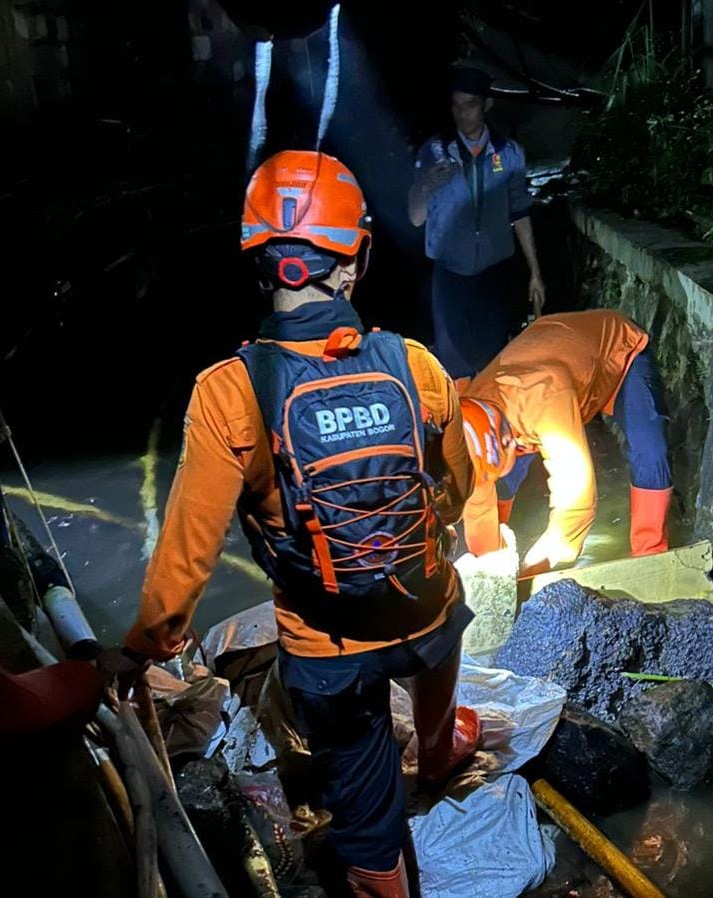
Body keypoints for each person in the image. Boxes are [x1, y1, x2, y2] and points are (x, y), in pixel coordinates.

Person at [107, 150, 478, 898]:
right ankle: (438, 751)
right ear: (355, 260)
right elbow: (459, 485)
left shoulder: (228, 394)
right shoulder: (416, 366)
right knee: (447, 602)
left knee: (368, 819)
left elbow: (188, 553)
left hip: (328, 646)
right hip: (423, 608)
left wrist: (147, 647)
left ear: (259, 265)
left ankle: (382, 868)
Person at [459, 309, 672, 576]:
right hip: (555, 361)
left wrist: (537, 566)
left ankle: (650, 557)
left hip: (618, 353)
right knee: (499, 483)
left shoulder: (545, 395)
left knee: (649, 449)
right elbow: (477, 500)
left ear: (508, 440)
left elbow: (577, 502)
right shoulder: (467, 416)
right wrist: (489, 571)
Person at [408, 65, 545, 380]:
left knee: (492, 359)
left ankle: (491, 423)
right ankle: (458, 424)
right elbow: (415, 217)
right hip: (449, 275)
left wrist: (535, 273)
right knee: (452, 363)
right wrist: (426, 184)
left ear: (487, 105)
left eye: (469, 105)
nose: (461, 114)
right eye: (455, 106)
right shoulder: (434, 151)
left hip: (494, 273)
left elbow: (520, 213)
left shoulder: (508, 154)